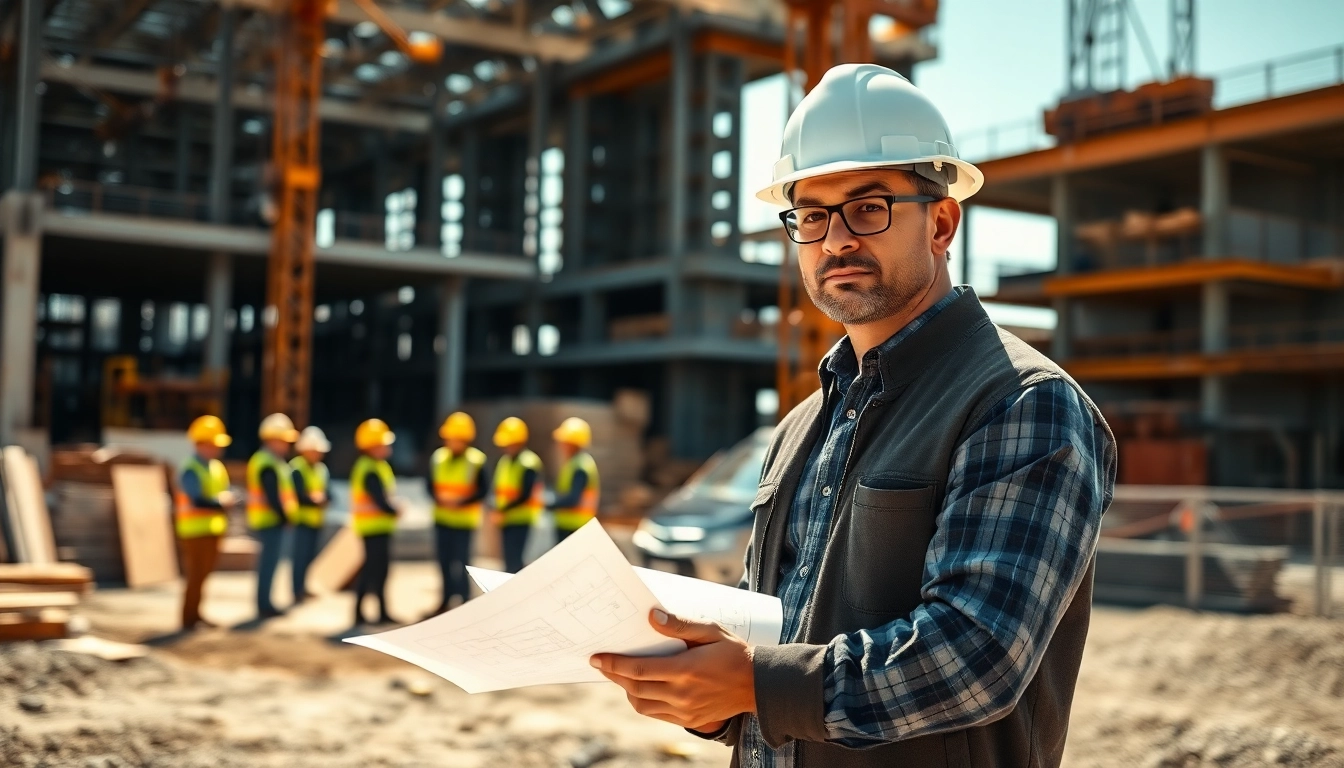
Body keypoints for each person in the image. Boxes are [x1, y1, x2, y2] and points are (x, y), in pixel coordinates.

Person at [590, 63, 1117, 768]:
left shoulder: (1021, 404)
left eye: (868, 208)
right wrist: (706, 694)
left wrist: (753, 683)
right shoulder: (801, 427)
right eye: (810, 216)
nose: (835, 239)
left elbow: (977, 654)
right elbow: (773, 635)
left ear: (942, 221)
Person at [175, 415, 237, 631]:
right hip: (194, 531)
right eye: (213, 444)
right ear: (200, 444)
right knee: (195, 577)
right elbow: (196, 499)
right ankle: (188, 619)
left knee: (203, 577)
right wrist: (221, 503)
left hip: (212, 529)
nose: (217, 449)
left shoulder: (216, 467)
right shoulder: (191, 468)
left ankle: (197, 615)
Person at [429, 412, 490, 615]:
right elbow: (430, 485)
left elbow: (483, 490)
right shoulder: (438, 458)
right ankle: (446, 600)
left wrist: (461, 502)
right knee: (444, 563)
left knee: (463, 563)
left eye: (455, 438)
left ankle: (465, 603)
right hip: (442, 519)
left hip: (464, 521)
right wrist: (440, 500)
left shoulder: (477, 460)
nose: (451, 442)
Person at [247, 413, 299, 619]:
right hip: (270, 521)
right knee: (268, 564)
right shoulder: (267, 462)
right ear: (271, 439)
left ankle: (266, 602)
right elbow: (272, 496)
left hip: (272, 520)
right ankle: (264, 604)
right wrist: (285, 517)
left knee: (271, 563)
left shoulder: (273, 461)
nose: (287, 445)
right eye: (284, 440)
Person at [350, 418, 400, 627]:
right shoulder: (369, 468)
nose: (387, 447)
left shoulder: (377, 466)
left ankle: (379, 612)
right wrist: (395, 509)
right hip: (373, 527)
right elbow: (380, 500)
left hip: (378, 527)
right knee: (374, 570)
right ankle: (363, 613)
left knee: (378, 570)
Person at [489, 417, 543, 574]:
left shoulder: (529, 463)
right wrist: (494, 507)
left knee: (515, 564)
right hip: (506, 519)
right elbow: (497, 489)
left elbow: (525, 495)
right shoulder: (504, 462)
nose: (507, 447)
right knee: (508, 563)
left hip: (522, 520)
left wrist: (502, 509)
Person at [289, 425, 331, 606]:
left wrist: (323, 499)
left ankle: (304, 587)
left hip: (316, 520)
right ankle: (296, 590)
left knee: (309, 557)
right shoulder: (296, 468)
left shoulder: (322, 469)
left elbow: (328, 493)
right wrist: (315, 501)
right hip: (301, 520)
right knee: (300, 557)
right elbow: (297, 495)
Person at [549, 417, 600, 543]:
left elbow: (573, 498)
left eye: (564, 441)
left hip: (575, 528)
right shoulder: (573, 463)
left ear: (572, 444)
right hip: (569, 526)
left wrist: (550, 503)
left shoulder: (580, 467)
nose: (561, 445)